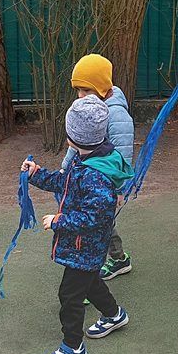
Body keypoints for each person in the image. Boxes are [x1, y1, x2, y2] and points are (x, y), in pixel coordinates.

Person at [23, 96, 134, 354]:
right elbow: (64, 182)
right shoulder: (86, 161)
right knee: (91, 282)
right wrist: (37, 174)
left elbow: (95, 217)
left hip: (86, 246)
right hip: (85, 246)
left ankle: (73, 347)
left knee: (70, 296)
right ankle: (114, 315)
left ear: (75, 137)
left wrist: (59, 221)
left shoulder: (94, 174)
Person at [62, 54, 135, 280]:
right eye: (78, 90)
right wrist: (65, 168)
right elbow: (77, 142)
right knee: (97, 221)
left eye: (87, 90)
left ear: (103, 88)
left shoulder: (117, 115)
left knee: (98, 224)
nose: (81, 96)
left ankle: (102, 268)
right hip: (86, 179)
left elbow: (123, 155)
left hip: (104, 183)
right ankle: (114, 258)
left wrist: (119, 189)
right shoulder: (87, 109)